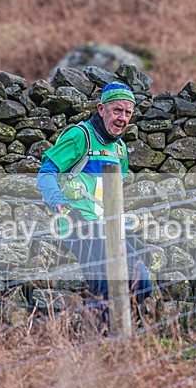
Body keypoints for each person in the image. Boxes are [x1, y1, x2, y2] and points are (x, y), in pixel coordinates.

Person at [36, 81, 152, 331]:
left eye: (128, 113)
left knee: (142, 284)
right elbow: (45, 174)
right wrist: (64, 207)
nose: (122, 118)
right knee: (107, 285)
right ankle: (98, 344)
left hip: (108, 227)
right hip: (79, 225)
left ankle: (103, 337)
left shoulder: (120, 148)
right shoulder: (80, 136)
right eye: (117, 111)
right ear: (101, 109)